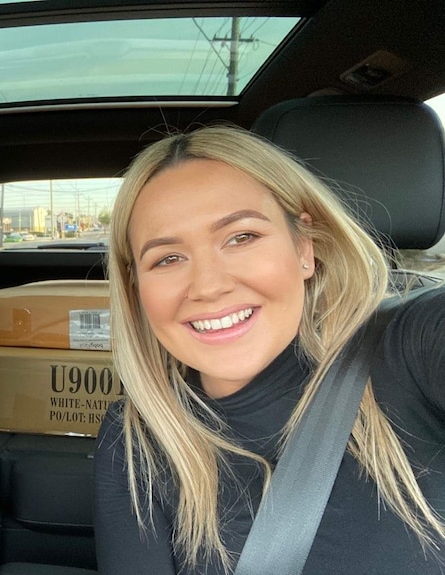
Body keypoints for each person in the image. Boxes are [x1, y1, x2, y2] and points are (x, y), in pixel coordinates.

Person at [94, 125, 445, 574]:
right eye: (167, 259)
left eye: (241, 237)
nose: (208, 286)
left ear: (304, 247)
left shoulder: (411, 346)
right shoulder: (135, 440)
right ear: (136, 288)